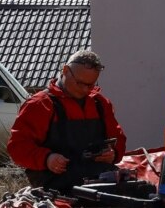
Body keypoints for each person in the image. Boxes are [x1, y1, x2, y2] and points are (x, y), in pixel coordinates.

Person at [7, 50, 127, 192]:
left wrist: (113, 153)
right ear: (65, 70)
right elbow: (17, 148)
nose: (84, 89)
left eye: (90, 85)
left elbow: (118, 139)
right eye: (79, 83)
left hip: (97, 180)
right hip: (56, 186)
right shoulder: (40, 105)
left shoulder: (100, 104)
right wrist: (47, 159)